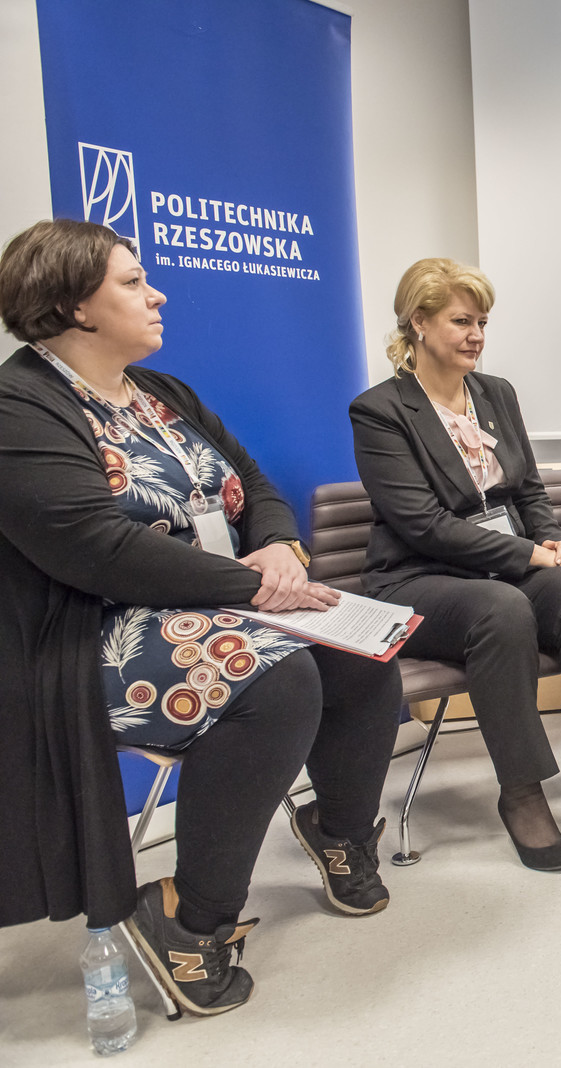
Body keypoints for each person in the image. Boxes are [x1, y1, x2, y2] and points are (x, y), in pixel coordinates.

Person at [0, 219, 401, 1018]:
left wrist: (279, 546)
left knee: (362, 649)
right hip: (94, 632)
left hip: (219, 602)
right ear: (75, 306)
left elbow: (254, 483)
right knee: (279, 680)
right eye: (131, 282)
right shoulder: (20, 407)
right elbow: (96, 549)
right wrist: (255, 588)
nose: (157, 295)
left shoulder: (163, 394)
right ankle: (192, 919)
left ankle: (339, 830)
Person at [351, 258, 561, 872]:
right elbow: (423, 525)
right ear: (418, 323)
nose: (476, 336)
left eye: (482, 323)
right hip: (418, 578)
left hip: (504, 570)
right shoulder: (380, 410)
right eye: (461, 321)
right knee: (503, 609)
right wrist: (529, 554)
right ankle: (521, 790)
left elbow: (528, 491)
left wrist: (555, 543)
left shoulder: (496, 393)